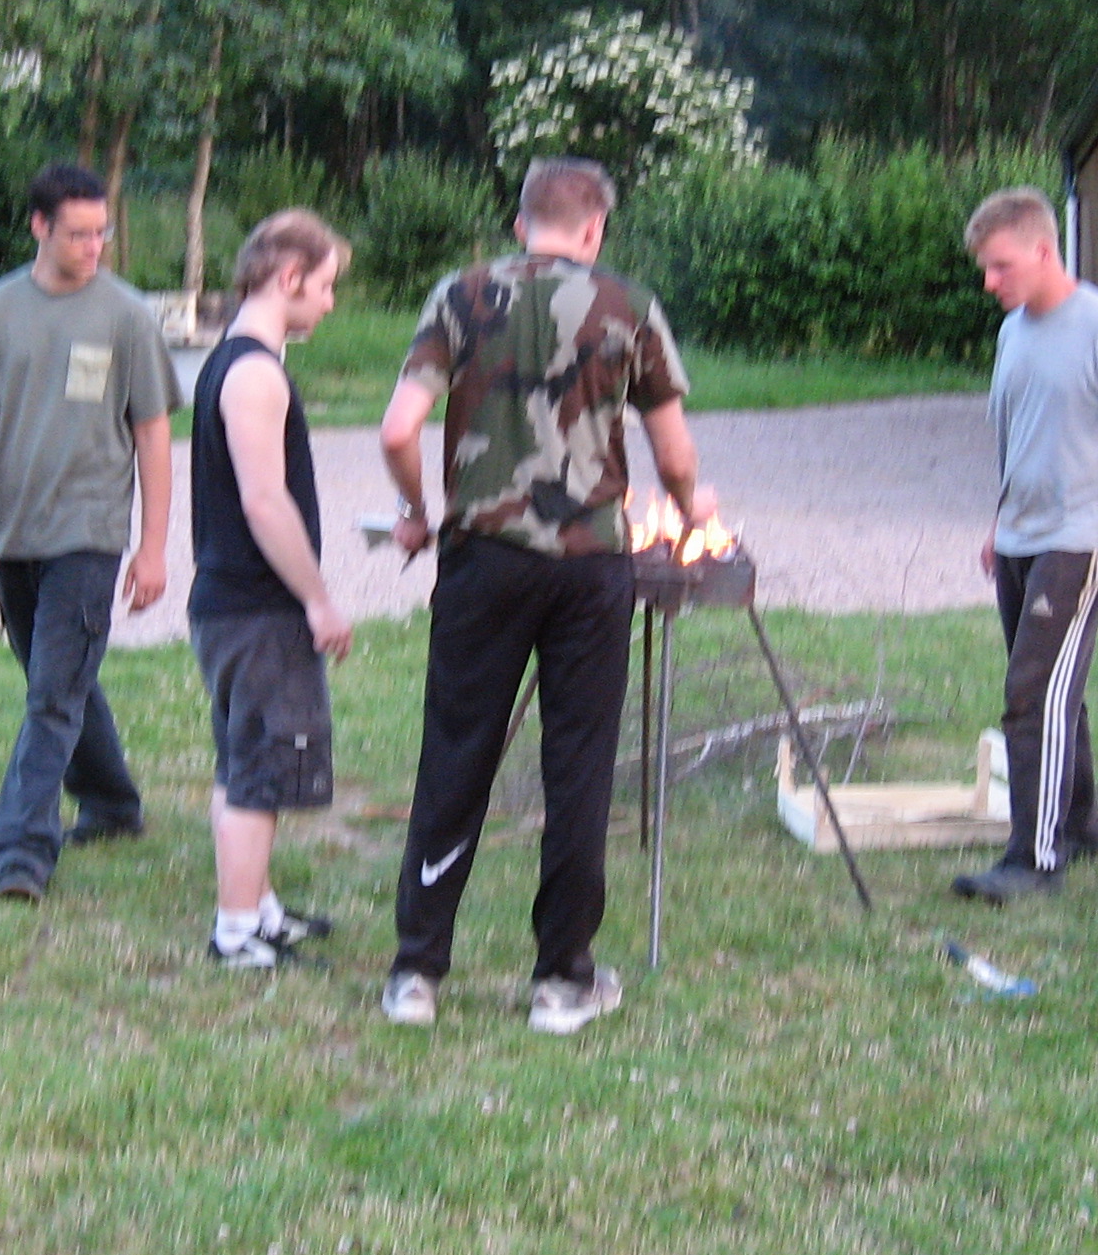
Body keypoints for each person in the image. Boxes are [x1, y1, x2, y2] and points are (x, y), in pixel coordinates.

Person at [375, 156, 713, 1035]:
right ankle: (563, 981)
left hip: (483, 560)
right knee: (578, 767)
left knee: (456, 755)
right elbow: (674, 455)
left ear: (522, 222)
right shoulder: (627, 304)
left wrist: (416, 511)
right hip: (588, 569)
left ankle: (417, 973)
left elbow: (399, 428)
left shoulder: (460, 295)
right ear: (594, 228)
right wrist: (692, 508)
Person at [0, 162, 180, 903]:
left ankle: (21, 849)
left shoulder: (127, 315)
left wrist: (152, 546)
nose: (94, 246)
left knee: (53, 692)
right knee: (58, 678)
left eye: (101, 232)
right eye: (78, 233)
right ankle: (111, 803)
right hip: (13, 530)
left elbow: (153, 434)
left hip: (89, 530)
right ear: (39, 227)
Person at [953, 186, 1098, 906]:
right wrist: (1000, 522)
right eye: (986, 269)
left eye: (1001, 266)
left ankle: (1034, 859)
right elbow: (1020, 435)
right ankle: (1077, 827)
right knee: (1056, 693)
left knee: (1032, 694)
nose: (990, 282)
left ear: (1044, 251)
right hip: (1021, 537)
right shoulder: (1013, 332)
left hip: (1080, 541)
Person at [188, 209, 354, 967]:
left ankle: (260, 910)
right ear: (288, 277)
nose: (329, 302)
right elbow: (264, 500)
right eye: (324, 286)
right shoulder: (255, 374)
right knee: (260, 772)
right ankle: (235, 932)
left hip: (231, 607)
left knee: (243, 763)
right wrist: (317, 598)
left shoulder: (229, 360)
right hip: (258, 610)